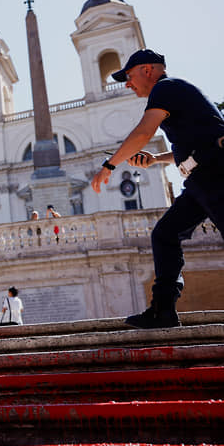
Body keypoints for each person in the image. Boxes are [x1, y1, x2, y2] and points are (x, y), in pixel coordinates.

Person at [91, 49, 224, 329]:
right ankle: (162, 310)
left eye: (129, 75)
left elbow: (143, 132)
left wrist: (109, 165)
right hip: (203, 175)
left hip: (216, 172)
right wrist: (154, 159)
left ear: (148, 70)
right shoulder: (173, 92)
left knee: (167, 234)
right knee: (165, 234)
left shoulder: (165, 87)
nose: (127, 83)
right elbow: (194, 145)